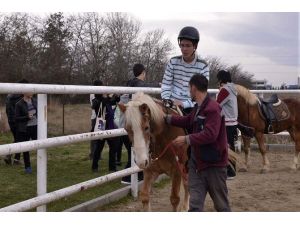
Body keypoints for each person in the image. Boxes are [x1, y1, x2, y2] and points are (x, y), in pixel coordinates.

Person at [165, 74, 231, 212]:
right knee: (195, 206)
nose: (189, 91)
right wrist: (167, 118)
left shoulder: (213, 109)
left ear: (194, 88)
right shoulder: (199, 108)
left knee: (222, 207)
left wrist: (186, 139)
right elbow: (187, 120)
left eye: (189, 88)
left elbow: (210, 135)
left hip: (214, 166)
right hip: (197, 165)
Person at [120, 63, 158, 184]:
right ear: (143, 72)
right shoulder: (139, 83)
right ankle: (127, 177)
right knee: (136, 148)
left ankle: (136, 175)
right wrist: (159, 85)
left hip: (129, 120)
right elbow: (147, 87)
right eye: (145, 73)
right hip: (135, 120)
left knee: (135, 148)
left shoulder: (129, 83)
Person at [161, 26, 209, 115]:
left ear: (195, 46)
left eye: (188, 46)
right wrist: (167, 100)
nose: (184, 49)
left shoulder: (203, 66)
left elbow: (201, 94)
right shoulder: (173, 61)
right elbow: (166, 85)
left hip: (192, 107)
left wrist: (184, 104)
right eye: (182, 45)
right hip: (171, 104)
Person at [90, 80, 120, 172]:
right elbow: (98, 105)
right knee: (99, 148)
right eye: (101, 87)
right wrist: (106, 97)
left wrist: (116, 96)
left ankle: (112, 167)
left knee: (113, 147)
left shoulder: (106, 98)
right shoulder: (96, 99)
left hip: (110, 125)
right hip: (101, 126)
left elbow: (114, 101)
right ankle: (94, 167)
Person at [216, 70, 238, 180]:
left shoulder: (225, 90)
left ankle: (230, 172)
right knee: (230, 146)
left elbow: (217, 103)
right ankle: (232, 169)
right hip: (233, 121)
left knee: (226, 147)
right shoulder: (233, 89)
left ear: (221, 79)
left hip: (227, 121)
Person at [15, 84, 37, 174]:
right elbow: (17, 118)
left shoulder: (35, 100)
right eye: (30, 90)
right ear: (24, 92)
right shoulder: (19, 104)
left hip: (36, 127)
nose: (32, 92)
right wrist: (27, 117)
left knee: (40, 146)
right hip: (25, 129)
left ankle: (41, 164)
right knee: (26, 148)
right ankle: (28, 167)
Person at [4, 79, 27, 165]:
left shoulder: (9, 95)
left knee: (18, 139)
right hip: (18, 120)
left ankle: (11, 156)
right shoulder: (20, 96)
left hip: (11, 120)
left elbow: (7, 109)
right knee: (20, 139)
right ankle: (13, 157)